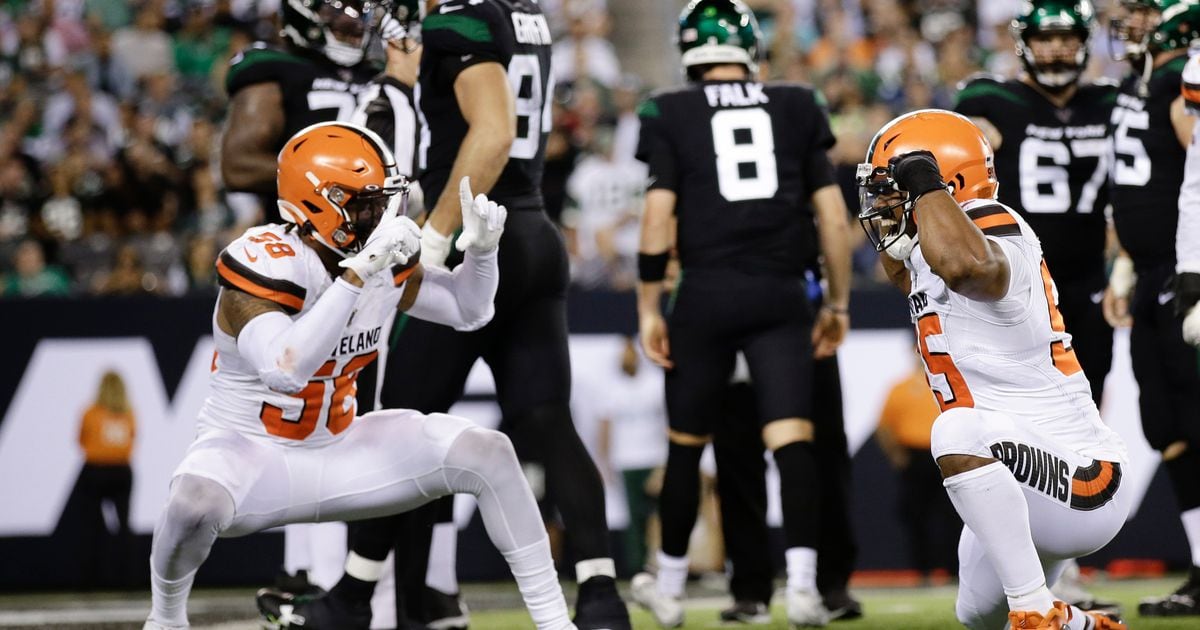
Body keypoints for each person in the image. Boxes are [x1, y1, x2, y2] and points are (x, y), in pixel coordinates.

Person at [271, 2, 632, 629]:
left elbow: (490, 132)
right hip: (534, 230)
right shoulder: (525, 17)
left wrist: (437, 234)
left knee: (392, 427)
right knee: (548, 421)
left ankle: (355, 598)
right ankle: (600, 594)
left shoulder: (459, 19)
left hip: (476, 233)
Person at [144, 120, 575, 630]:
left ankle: (555, 623)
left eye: (381, 200)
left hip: (343, 446)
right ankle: (166, 618)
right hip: (252, 453)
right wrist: (356, 276)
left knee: (489, 451)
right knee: (193, 503)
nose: (379, 214)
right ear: (314, 203)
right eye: (363, 203)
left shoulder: (380, 259)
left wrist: (482, 253)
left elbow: (468, 310)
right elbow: (287, 369)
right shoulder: (264, 261)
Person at [856, 109, 1128, 629]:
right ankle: (1078, 623)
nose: (883, 204)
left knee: (955, 427)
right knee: (977, 616)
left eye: (893, 189)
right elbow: (914, 266)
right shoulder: (928, 252)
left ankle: (1037, 609)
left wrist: (923, 180)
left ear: (942, 182)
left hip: (1085, 477)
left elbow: (968, 269)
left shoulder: (991, 221)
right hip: (1020, 475)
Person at [630, 0, 853, 626]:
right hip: (782, 292)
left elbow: (656, 216)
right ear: (748, 48)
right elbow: (833, 217)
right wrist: (836, 300)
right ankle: (805, 587)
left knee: (685, 446)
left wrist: (649, 306)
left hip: (705, 293)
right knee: (792, 439)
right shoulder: (795, 103)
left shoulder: (669, 109)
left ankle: (670, 589)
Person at [954, 0, 1122, 611]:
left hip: (1086, 282)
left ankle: (1059, 567)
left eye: (1065, 38)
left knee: (1079, 422)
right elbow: (966, 149)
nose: (1054, 50)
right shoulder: (991, 98)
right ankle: (1006, 561)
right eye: (1044, 38)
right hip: (1016, 287)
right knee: (1005, 420)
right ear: (1025, 42)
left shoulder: (1111, 102)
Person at [1105, 0, 1200, 617]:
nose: (1132, 21)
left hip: (1185, 274)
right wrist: (1126, 262)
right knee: (1167, 428)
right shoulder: (1138, 82)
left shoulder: (1177, 81)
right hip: (1153, 274)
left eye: (1144, 8)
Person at [220, 0, 384, 199]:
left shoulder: (377, 74)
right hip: (302, 224)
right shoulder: (279, 68)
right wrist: (335, 176)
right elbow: (238, 167)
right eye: (336, 11)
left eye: (358, 11)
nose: (353, 21)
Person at [875, 350, 960, 581]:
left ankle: (953, 570)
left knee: (954, 515)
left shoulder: (949, 383)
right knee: (916, 515)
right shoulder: (900, 388)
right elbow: (884, 426)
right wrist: (896, 455)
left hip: (945, 453)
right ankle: (923, 569)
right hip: (916, 456)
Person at [58, 370, 137, 587]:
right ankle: (126, 577)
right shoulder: (128, 413)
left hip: (95, 471)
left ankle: (90, 579)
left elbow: (81, 440)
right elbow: (132, 438)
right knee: (123, 526)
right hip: (121, 471)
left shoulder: (91, 412)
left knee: (91, 527)